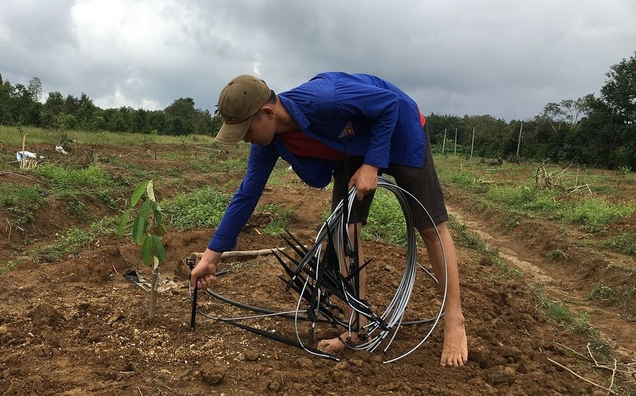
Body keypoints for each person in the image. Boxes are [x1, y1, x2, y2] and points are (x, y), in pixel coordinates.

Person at [190, 73, 468, 367]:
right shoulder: (268, 143)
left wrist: (372, 164)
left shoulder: (326, 98)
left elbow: (390, 104)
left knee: (430, 226)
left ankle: (454, 319)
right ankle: (358, 325)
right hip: (351, 147)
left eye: (246, 130)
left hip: (399, 129)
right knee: (344, 229)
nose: (245, 139)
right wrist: (211, 255)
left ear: (267, 113)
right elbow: (247, 194)